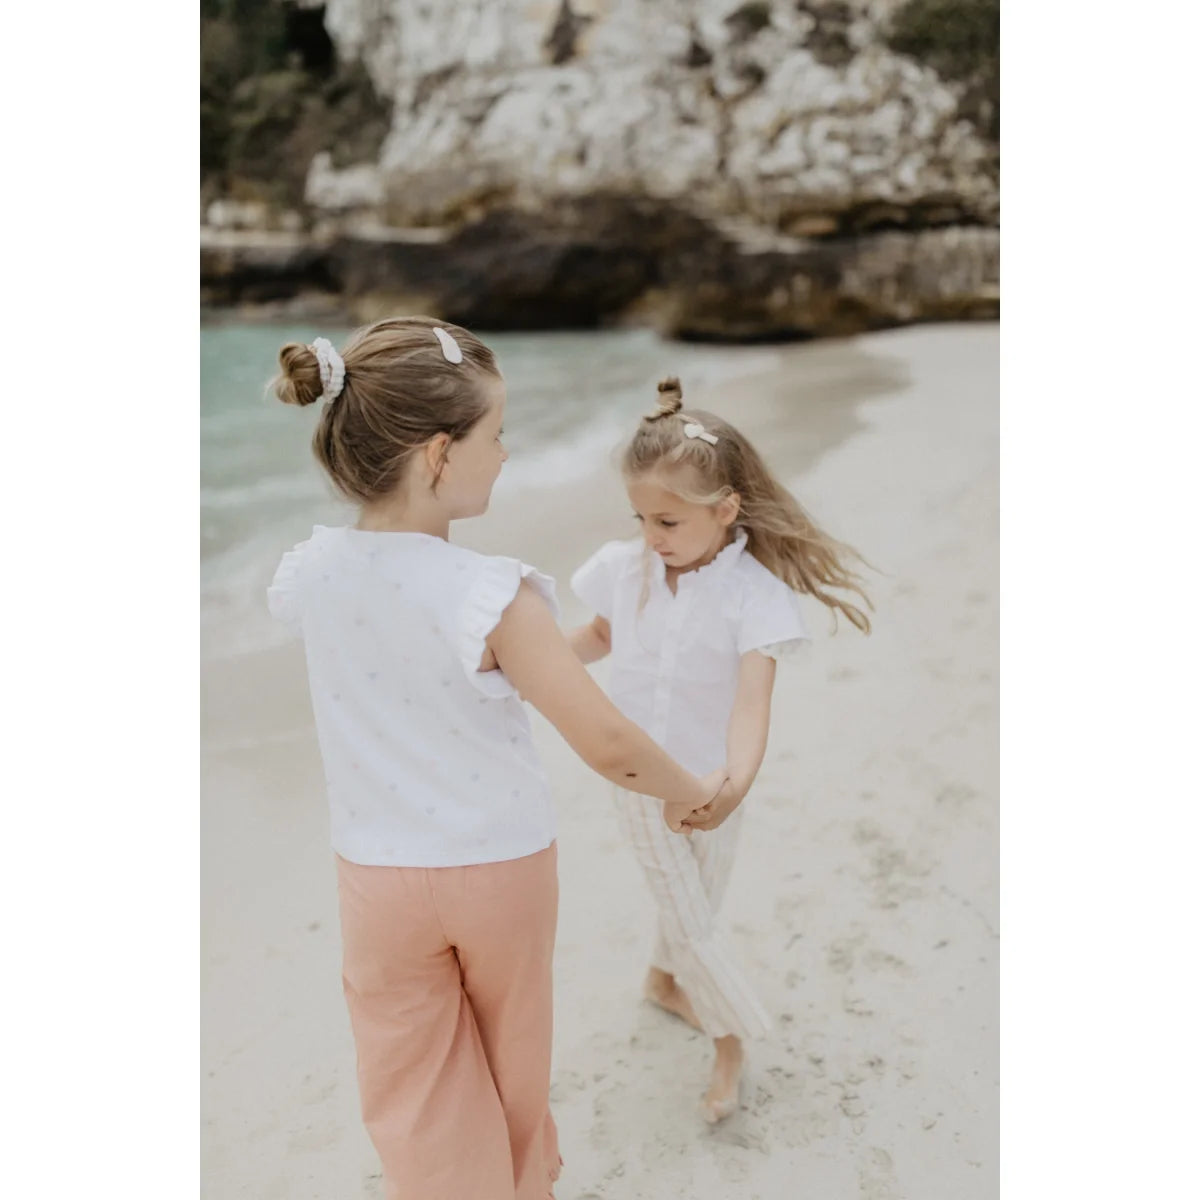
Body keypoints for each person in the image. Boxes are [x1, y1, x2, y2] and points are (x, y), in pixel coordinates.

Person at [266, 320, 719, 1199]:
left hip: (377, 877)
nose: (505, 454)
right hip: (496, 868)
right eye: (495, 434)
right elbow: (609, 743)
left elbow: (424, 663)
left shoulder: (309, 574)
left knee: (408, 1074)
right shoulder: (489, 592)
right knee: (512, 1061)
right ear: (438, 455)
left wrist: (589, 635)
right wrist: (692, 790)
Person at [567, 376, 872, 1122]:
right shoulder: (623, 568)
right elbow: (598, 637)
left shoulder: (754, 592)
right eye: (640, 517)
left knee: (697, 898)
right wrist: (527, 667)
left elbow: (750, 702)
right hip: (640, 776)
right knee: (694, 916)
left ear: (725, 510)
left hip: (719, 778)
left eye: (668, 520)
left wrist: (732, 785)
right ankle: (731, 1038)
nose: (651, 535)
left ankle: (660, 981)